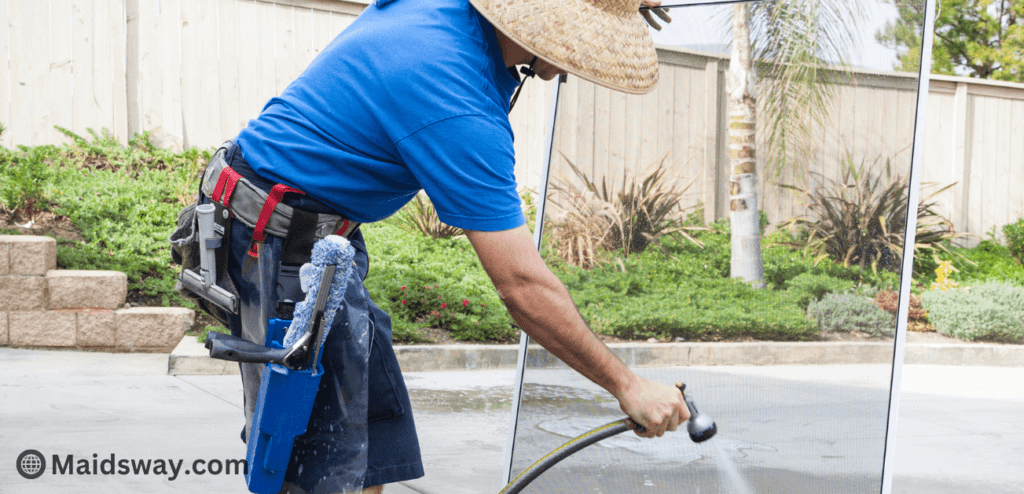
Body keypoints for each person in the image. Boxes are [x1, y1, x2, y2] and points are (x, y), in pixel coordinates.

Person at [207, 0, 685, 492]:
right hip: (275, 239)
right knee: (314, 472)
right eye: (586, 43)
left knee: (368, 456)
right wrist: (628, 386)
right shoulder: (456, 96)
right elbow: (522, 285)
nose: (581, 64)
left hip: (320, 236)